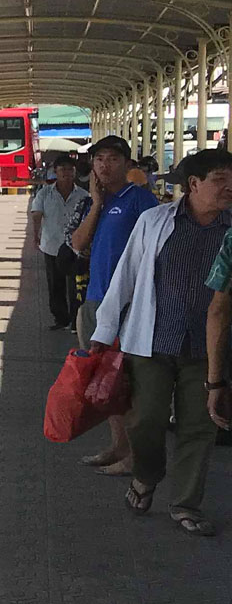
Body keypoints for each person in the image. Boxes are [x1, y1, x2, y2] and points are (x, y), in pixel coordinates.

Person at [92, 148, 232, 537]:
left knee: (200, 426)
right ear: (193, 184)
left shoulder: (231, 229)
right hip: (151, 341)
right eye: (220, 180)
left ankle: (186, 503)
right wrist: (103, 333)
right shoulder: (155, 221)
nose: (229, 188)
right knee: (145, 419)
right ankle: (146, 476)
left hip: (208, 350)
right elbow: (127, 275)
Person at [67, 134, 157, 474]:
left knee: (129, 382)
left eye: (113, 159)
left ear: (128, 164)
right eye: (99, 159)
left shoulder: (141, 201)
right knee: (103, 383)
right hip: (95, 301)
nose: (105, 165)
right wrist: (96, 203)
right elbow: (77, 244)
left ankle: (135, 456)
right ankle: (118, 447)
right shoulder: (93, 201)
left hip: (128, 306)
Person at [28, 154, 90, 330]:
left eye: (70, 170)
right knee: (55, 284)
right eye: (62, 170)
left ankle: (74, 321)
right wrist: (35, 235)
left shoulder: (83, 195)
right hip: (52, 245)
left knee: (75, 286)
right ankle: (60, 318)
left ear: (75, 172)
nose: (66, 173)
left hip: (75, 247)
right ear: (55, 171)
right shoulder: (45, 193)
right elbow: (36, 214)